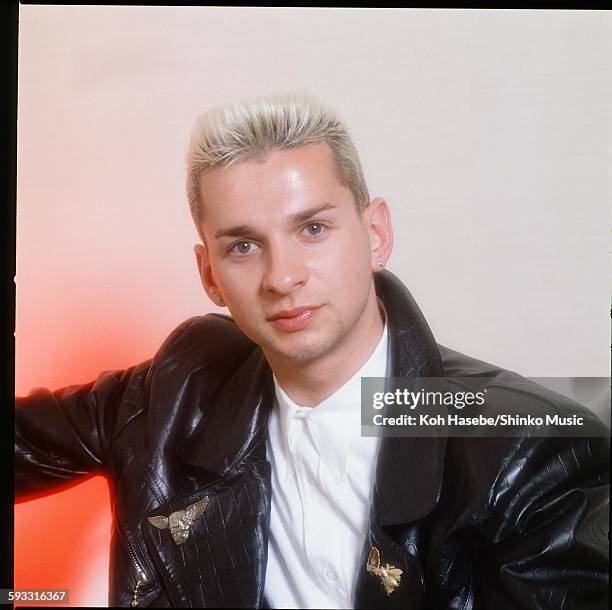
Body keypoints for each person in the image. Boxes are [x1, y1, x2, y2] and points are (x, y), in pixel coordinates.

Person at [15, 93, 609, 609]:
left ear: (375, 235)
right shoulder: (172, 395)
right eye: (244, 246)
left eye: (313, 230)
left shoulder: (532, 453)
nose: (282, 277)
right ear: (209, 275)